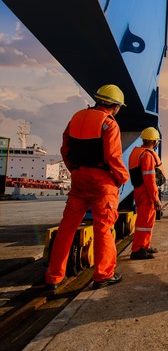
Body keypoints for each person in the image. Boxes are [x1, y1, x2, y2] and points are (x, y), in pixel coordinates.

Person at [45, 84, 129, 290]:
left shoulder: (76, 118)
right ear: (115, 106)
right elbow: (113, 157)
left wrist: (74, 170)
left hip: (79, 177)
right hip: (102, 182)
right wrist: (122, 177)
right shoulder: (109, 124)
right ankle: (103, 275)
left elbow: (65, 149)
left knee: (67, 227)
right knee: (104, 228)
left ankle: (54, 276)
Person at [129, 127, 165, 260]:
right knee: (144, 222)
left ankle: (144, 246)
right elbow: (150, 179)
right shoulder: (147, 155)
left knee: (146, 221)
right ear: (155, 142)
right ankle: (138, 249)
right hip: (146, 192)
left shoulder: (137, 153)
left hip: (140, 191)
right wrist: (155, 198)